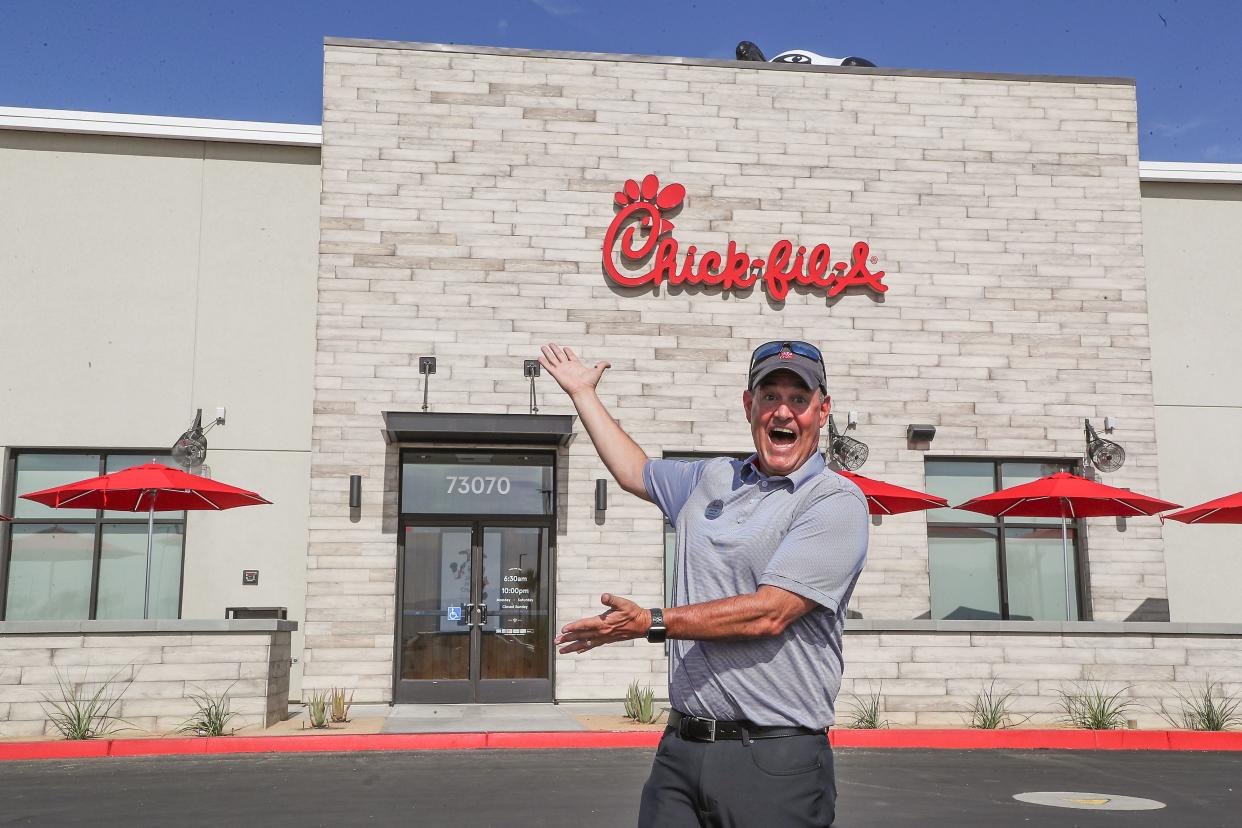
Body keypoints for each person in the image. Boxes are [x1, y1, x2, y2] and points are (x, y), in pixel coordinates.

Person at [538, 340, 869, 827]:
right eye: (770, 396)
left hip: (776, 759)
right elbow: (635, 471)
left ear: (822, 412)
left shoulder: (833, 502)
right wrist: (583, 395)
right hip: (682, 751)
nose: (783, 411)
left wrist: (652, 622)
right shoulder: (712, 478)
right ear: (748, 406)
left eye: (799, 399)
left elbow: (770, 611)